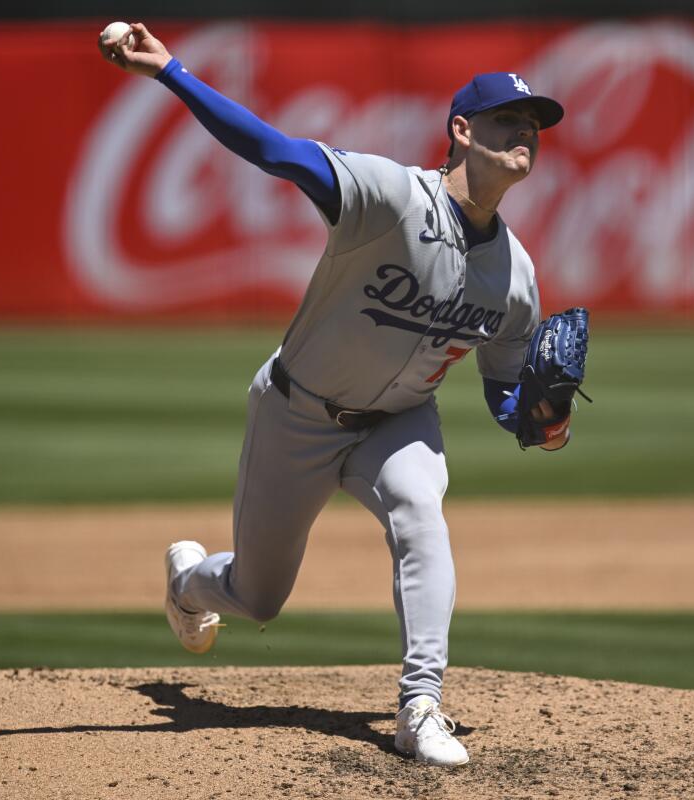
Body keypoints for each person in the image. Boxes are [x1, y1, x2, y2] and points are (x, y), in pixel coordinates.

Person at [99, 22, 571, 767]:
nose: (527, 133)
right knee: (258, 597)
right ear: (461, 131)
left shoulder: (515, 276)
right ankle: (190, 583)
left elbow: (505, 392)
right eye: (509, 120)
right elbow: (274, 151)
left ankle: (420, 707)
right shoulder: (390, 198)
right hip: (298, 412)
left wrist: (542, 421)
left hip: (400, 421)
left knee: (421, 513)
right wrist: (173, 73)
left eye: (535, 124)